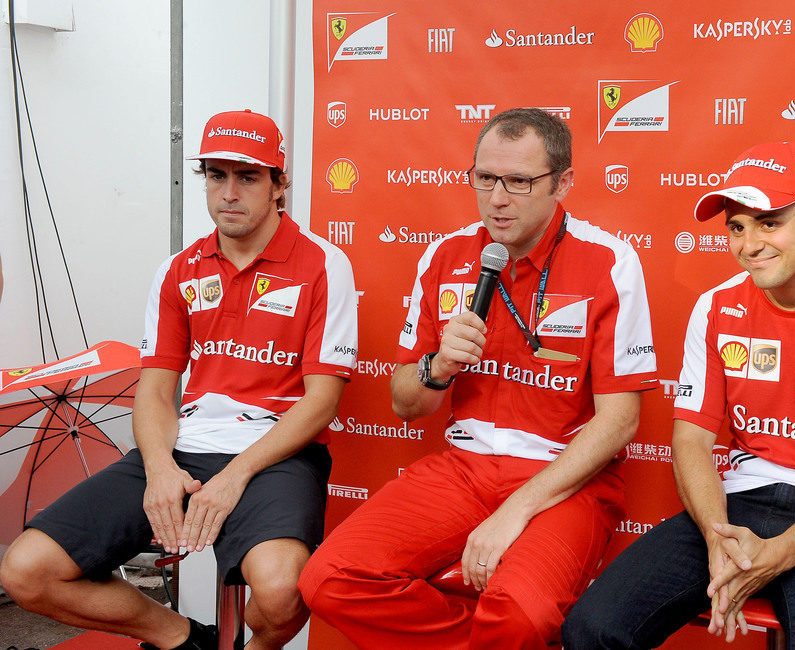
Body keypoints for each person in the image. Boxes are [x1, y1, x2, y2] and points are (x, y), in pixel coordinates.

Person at [298, 107, 658, 648]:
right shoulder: (446, 255)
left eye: (519, 182)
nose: (497, 198)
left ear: (563, 183)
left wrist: (516, 511)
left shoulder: (609, 261)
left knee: (520, 617)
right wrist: (437, 367)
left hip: (564, 478)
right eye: (485, 179)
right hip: (464, 469)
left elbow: (620, 421)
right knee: (329, 579)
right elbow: (405, 402)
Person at [0, 109, 358, 650]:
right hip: (184, 448)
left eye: (248, 176)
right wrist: (161, 468)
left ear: (280, 184)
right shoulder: (178, 269)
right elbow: (155, 390)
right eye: (216, 176)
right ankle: (185, 639)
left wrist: (235, 476)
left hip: (275, 454)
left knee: (283, 592)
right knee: (26, 571)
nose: (229, 192)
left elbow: (321, 402)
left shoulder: (323, 265)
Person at [562, 141, 795, 648]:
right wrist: (717, 538)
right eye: (737, 227)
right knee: (592, 629)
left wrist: (775, 555)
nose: (749, 244)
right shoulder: (715, 307)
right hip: (736, 507)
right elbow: (691, 441)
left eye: (768, 222)